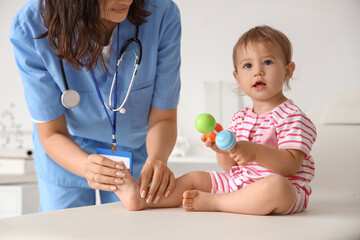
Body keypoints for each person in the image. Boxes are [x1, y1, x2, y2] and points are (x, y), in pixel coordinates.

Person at [113, 25, 317, 215]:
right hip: (240, 184)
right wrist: (223, 150)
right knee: (195, 177)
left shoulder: (293, 117)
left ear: (288, 71)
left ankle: (216, 202)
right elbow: (230, 168)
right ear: (237, 78)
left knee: (277, 187)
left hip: (282, 190)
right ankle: (142, 199)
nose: (258, 71)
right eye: (248, 65)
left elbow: (291, 165)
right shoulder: (241, 118)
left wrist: (254, 151)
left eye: (267, 62)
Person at [10, 0, 181, 211]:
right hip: (66, 150)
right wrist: (86, 166)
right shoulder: (31, 25)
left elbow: (164, 117)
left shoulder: (161, 13)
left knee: (133, 225)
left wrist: (157, 158)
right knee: (66, 230)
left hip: (135, 152)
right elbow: (51, 133)